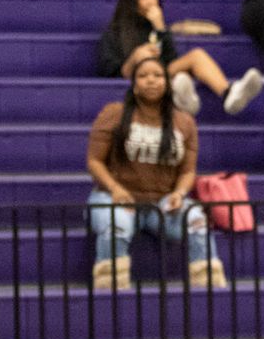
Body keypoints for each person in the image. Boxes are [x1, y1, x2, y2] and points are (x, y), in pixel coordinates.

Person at [86, 56, 224, 291]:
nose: (151, 80)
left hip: (160, 205)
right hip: (113, 197)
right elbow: (94, 161)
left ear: (167, 82)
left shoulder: (184, 121)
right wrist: (115, 189)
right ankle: (109, 290)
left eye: (158, 75)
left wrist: (180, 193)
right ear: (134, 84)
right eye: (143, 76)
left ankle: (208, 290)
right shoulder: (114, 113)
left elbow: (188, 171)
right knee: (116, 226)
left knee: (197, 221)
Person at [96, 0, 262, 117]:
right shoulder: (114, 32)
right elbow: (110, 73)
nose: (151, 1)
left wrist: (161, 28)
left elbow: (171, 59)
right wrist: (135, 58)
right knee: (150, 60)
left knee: (196, 55)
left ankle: (228, 93)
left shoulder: (155, 27)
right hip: (135, 81)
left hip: (162, 75)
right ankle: (182, 95)